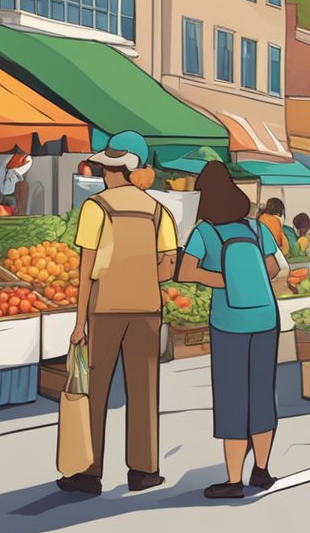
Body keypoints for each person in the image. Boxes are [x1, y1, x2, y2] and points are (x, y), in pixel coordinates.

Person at [59, 131, 178, 496]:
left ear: (119, 170)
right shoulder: (159, 210)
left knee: (94, 387)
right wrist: (140, 275)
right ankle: (144, 470)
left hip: (105, 308)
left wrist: (79, 323)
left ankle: (86, 473)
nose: (103, 172)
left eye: (107, 167)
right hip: (147, 309)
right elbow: (169, 264)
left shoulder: (96, 207)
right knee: (144, 389)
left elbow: (86, 267)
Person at [176, 161, 279, 499]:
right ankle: (261, 470)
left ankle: (234, 480)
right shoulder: (256, 228)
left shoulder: (204, 232)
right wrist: (246, 280)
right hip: (266, 318)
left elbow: (186, 272)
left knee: (233, 397)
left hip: (230, 323)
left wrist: (223, 281)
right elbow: (274, 267)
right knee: (262, 392)